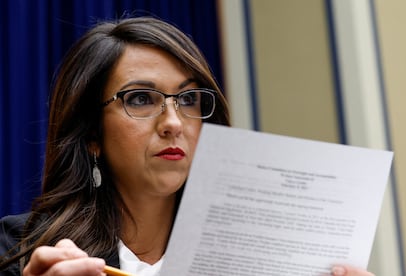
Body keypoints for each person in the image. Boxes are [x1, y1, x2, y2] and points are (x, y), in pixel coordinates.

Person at [0, 16, 374, 276]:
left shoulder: (262, 257)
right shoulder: (23, 251)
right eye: (142, 99)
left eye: (190, 99)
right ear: (91, 135)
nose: (174, 124)